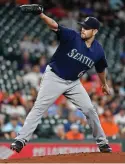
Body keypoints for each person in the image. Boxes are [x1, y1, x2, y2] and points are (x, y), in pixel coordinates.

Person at [10, 4, 112, 153]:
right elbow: (55, 26)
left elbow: (101, 68)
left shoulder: (98, 50)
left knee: (90, 109)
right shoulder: (72, 36)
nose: (83, 29)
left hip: (73, 83)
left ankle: (102, 143)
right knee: (39, 108)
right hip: (54, 77)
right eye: (82, 26)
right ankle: (20, 140)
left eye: (87, 27)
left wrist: (103, 84)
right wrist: (41, 15)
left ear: (95, 31)